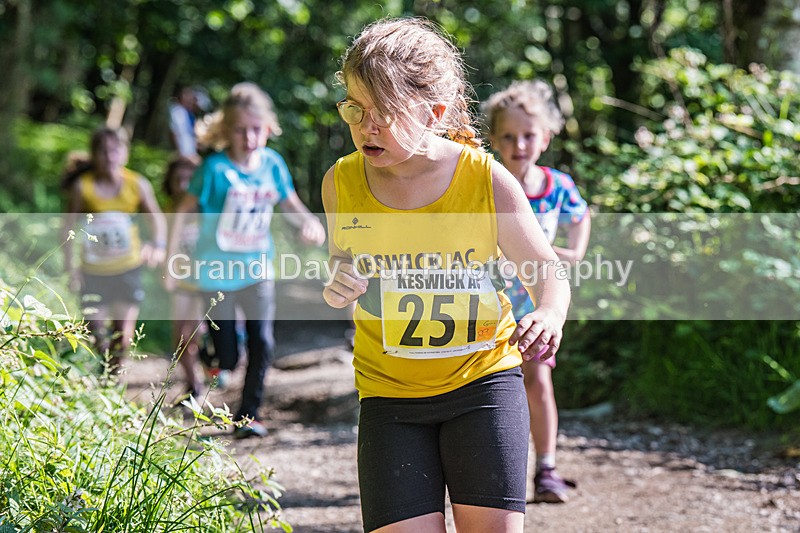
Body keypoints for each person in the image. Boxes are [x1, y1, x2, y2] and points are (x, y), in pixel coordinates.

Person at [321, 18, 571, 533]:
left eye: (384, 113)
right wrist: (339, 283)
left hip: (483, 385)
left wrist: (548, 313)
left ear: (434, 111)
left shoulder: (485, 178)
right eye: (355, 109)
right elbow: (343, 263)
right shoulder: (340, 182)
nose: (367, 127)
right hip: (388, 395)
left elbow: (546, 271)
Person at [165, 82, 325, 439]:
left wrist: (310, 222)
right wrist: (171, 257)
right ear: (226, 130)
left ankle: (248, 415)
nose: (249, 137)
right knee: (229, 357)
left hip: (257, 267)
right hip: (215, 271)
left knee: (263, 342)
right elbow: (182, 211)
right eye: (240, 130)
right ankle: (211, 351)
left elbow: (290, 202)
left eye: (256, 129)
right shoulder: (214, 169)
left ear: (267, 129)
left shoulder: (272, 164)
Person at [483, 79, 591, 504]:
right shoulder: (484, 185)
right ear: (493, 140)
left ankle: (546, 469)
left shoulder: (557, 185)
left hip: (537, 307)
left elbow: (581, 216)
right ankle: (492, 472)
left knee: (539, 379)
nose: (519, 145)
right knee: (492, 385)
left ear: (545, 138)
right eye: (508, 136)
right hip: (489, 304)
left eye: (528, 135)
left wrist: (575, 252)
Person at [63, 126, 168, 372]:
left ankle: (112, 377)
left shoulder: (137, 184)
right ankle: (103, 368)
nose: (110, 157)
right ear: (94, 155)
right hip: (93, 271)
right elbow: (66, 229)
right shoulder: (82, 187)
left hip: (128, 268)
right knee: (96, 331)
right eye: (103, 152)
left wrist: (158, 245)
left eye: (115, 151)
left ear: (125, 154)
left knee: (123, 335)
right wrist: (71, 269)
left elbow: (158, 219)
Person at [162, 155, 206, 398]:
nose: (183, 185)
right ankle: (193, 385)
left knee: (198, 333)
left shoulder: (208, 208)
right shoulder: (168, 210)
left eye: (189, 179)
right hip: (180, 281)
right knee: (180, 335)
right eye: (177, 179)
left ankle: (212, 366)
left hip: (207, 281)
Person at [168, 85, 201, 160]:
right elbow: (175, 132)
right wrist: (179, 149)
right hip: (183, 149)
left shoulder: (189, 113)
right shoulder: (177, 111)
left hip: (190, 148)